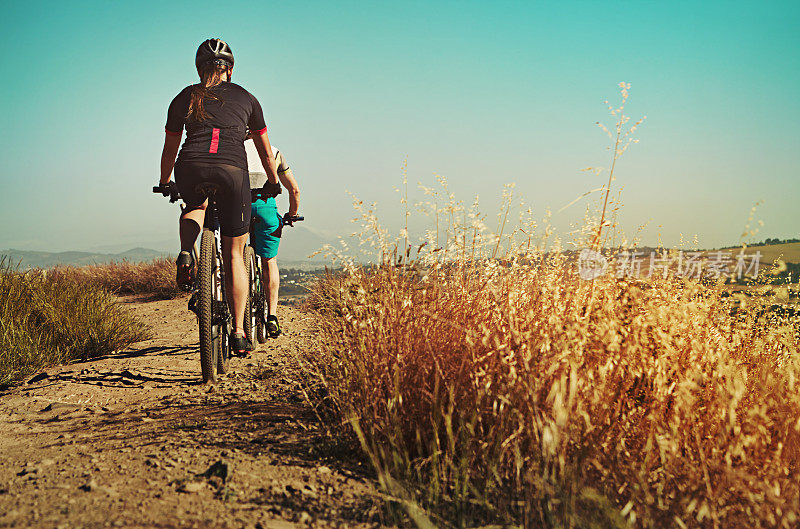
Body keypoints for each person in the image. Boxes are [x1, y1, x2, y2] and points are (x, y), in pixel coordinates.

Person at [158, 38, 281, 354]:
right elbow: (266, 153)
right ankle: (238, 333)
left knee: (194, 205)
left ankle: (187, 249)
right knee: (233, 254)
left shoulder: (184, 97)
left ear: (199, 68)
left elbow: (170, 147)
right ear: (231, 68)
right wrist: (272, 182)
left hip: (190, 166)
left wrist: (164, 181)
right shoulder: (248, 98)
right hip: (232, 171)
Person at [245, 139, 300, 337]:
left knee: (232, 256)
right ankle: (272, 316)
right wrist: (292, 214)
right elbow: (294, 190)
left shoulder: (229, 149)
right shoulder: (274, 152)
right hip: (264, 208)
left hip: (237, 208)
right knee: (269, 261)